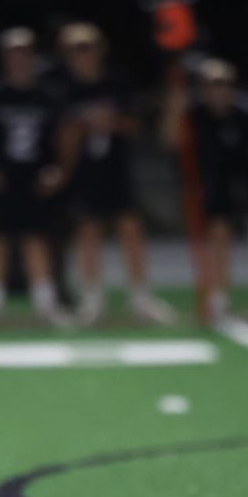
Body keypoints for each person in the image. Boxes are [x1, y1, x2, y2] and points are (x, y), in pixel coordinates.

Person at [56, 23, 175, 326]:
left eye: (88, 48)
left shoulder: (116, 83)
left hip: (115, 167)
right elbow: (61, 132)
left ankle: (140, 296)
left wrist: (110, 122)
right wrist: (84, 127)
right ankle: (92, 298)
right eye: (76, 50)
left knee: (130, 228)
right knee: (87, 231)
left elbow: (135, 124)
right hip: (82, 170)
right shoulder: (63, 88)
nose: (84, 55)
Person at [162, 59, 248, 321]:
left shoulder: (246, 114)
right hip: (203, 187)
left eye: (224, 84)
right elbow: (169, 139)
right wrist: (175, 101)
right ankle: (214, 294)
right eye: (212, 85)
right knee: (212, 238)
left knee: (239, 235)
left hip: (240, 184)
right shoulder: (193, 115)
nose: (219, 90)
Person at [0, 26, 70, 327]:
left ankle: (45, 303)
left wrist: (58, 168)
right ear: (3, 57)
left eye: (24, 52)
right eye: (12, 53)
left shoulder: (47, 96)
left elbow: (63, 136)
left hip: (35, 175)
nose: (18, 59)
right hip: (1, 175)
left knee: (36, 239)